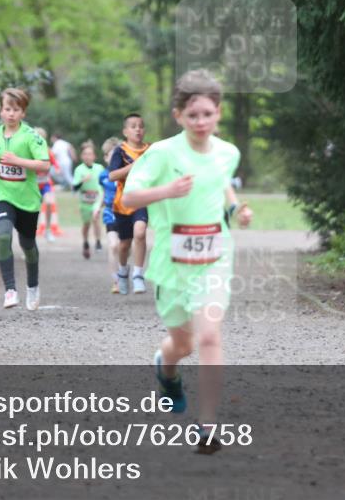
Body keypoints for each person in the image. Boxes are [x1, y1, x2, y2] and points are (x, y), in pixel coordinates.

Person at [122, 70, 252, 454]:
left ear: (219, 113)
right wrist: (168, 190)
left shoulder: (228, 152)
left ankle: (208, 428)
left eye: (207, 114)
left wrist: (235, 209)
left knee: (210, 336)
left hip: (214, 259)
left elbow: (220, 183)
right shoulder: (163, 153)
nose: (200, 122)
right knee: (183, 344)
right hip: (171, 265)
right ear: (178, 115)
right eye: (192, 115)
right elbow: (129, 198)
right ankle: (165, 367)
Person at [0, 88, 51, 310]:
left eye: (16, 109)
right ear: (1, 111)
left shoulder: (31, 136)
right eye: (7, 109)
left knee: (28, 245)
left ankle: (32, 286)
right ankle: (10, 290)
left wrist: (18, 160)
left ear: (23, 113)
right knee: (2, 236)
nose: (10, 113)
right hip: (3, 195)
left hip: (27, 200)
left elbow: (44, 165)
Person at [108, 113, 150, 295]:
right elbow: (112, 175)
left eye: (140, 126)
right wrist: (134, 167)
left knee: (140, 233)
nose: (138, 129)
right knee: (124, 244)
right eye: (133, 126)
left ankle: (138, 274)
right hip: (123, 203)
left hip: (142, 199)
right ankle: (123, 271)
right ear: (125, 131)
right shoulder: (120, 151)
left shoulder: (151, 150)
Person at [71, 140, 105, 260]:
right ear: (81, 156)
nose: (87, 156)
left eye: (90, 154)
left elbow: (104, 183)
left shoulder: (99, 168)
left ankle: (98, 241)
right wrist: (82, 181)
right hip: (84, 202)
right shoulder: (79, 170)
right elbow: (74, 188)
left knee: (96, 219)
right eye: (85, 154)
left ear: (94, 156)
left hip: (97, 200)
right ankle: (85, 241)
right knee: (86, 224)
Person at [100, 137, 122, 293]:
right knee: (113, 245)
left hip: (125, 212)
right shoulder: (102, 176)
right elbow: (104, 194)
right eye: (111, 156)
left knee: (123, 246)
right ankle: (116, 280)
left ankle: (124, 273)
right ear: (106, 157)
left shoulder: (126, 174)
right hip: (110, 213)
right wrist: (98, 207)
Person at [34, 127, 64, 241]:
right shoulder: (29, 151)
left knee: (50, 203)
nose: (38, 140)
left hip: (46, 184)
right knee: (33, 210)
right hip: (33, 185)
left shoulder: (48, 151)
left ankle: (47, 230)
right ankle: (31, 232)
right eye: (36, 137)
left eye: (41, 137)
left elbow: (55, 163)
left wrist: (57, 169)